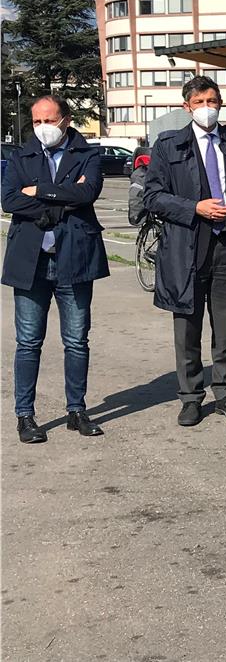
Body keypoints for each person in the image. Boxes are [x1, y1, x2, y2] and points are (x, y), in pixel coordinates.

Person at [143, 76, 226, 427]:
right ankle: (190, 397)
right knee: (187, 329)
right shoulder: (168, 146)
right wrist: (194, 208)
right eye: (199, 102)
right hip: (186, 247)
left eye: (212, 101)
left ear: (220, 103)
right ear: (187, 107)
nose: (206, 108)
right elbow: (153, 196)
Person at [1, 94, 109, 442]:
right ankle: (25, 416)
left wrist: (39, 191)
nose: (43, 127)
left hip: (74, 259)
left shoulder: (87, 154)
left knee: (76, 341)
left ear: (65, 120)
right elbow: (9, 199)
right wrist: (61, 199)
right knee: (28, 342)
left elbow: (87, 193)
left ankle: (76, 410)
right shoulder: (22, 155)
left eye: (49, 120)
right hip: (31, 262)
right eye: (37, 122)